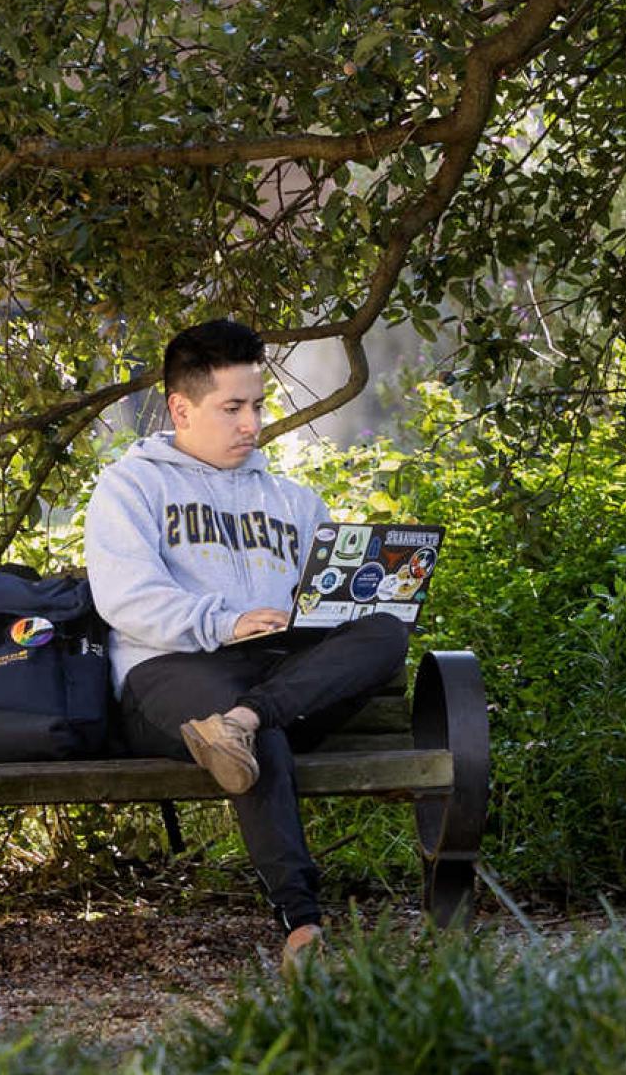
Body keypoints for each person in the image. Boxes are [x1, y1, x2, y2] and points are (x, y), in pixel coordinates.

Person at [83, 317, 410, 966]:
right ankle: (302, 927)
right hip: (172, 674)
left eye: (257, 405)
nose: (251, 424)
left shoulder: (292, 500)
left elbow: (328, 604)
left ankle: (242, 721)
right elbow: (125, 598)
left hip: (271, 682)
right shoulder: (131, 487)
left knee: (383, 628)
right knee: (260, 724)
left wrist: (329, 609)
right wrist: (223, 623)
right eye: (231, 407)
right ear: (181, 407)